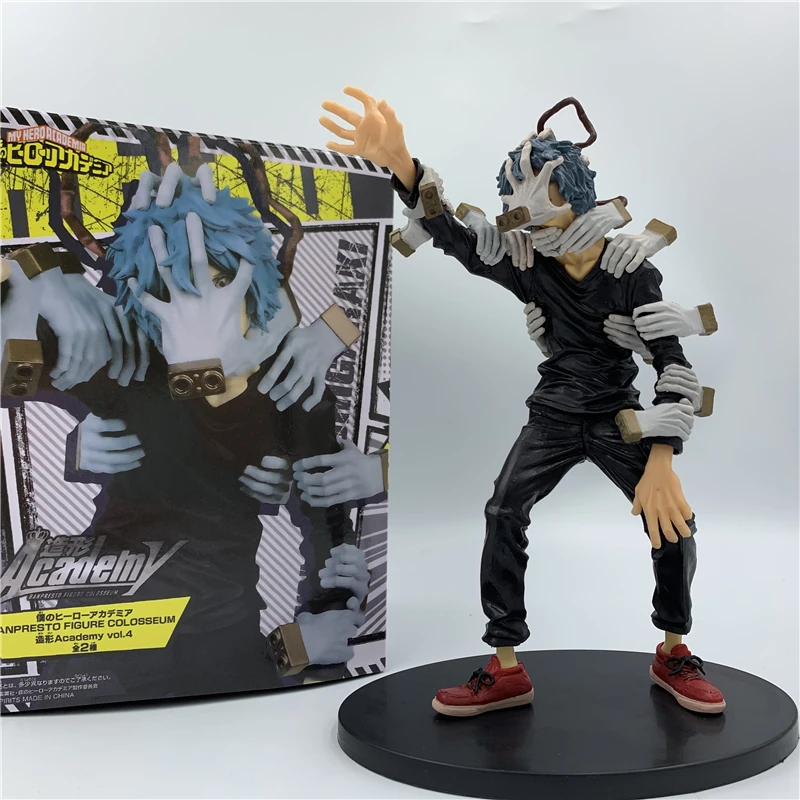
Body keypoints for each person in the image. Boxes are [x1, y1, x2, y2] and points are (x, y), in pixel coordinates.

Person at [320, 86, 725, 717]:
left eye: (536, 193)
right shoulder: (529, 263)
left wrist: (662, 457)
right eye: (513, 196)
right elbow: (458, 239)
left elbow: (673, 362)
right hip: (554, 413)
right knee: (503, 512)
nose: (520, 211)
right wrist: (404, 165)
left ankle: (674, 651)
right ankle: (505, 665)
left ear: (570, 194)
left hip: (617, 415)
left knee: (674, 524)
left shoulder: (630, 272)